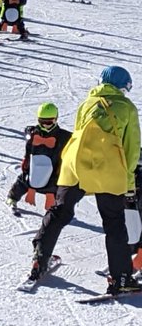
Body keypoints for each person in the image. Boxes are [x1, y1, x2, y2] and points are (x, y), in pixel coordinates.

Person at [26, 66, 141, 294]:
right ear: (122, 86)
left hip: (75, 166)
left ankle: (39, 259)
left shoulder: (86, 103)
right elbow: (131, 148)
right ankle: (121, 278)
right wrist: (128, 183)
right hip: (107, 168)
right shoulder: (127, 107)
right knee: (114, 221)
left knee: (59, 211)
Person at [6, 104, 71, 214]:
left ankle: (58, 209)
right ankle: (12, 198)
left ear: (56, 119)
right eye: (42, 121)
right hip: (34, 166)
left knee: (56, 187)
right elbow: (27, 135)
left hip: (53, 169)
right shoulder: (33, 132)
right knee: (24, 180)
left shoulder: (64, 136)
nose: (45, 125)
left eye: (49, 122)